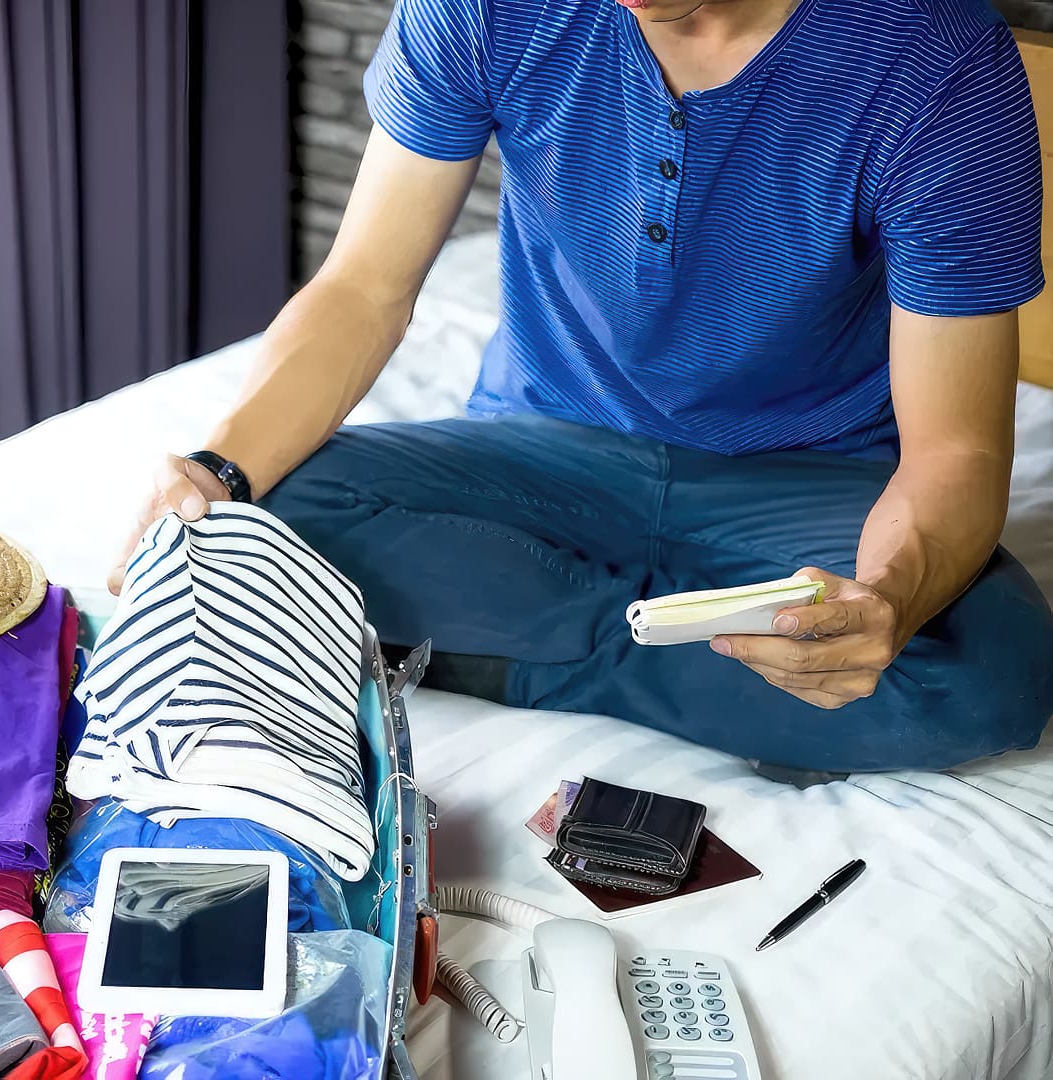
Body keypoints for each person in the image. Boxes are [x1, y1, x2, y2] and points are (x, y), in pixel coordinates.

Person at [110, 0, 1053, 774]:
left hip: (804, 479)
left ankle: (493, 633)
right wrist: (216, 472)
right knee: (261, 519)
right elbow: (363, 287)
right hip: (539, 448)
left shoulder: (938, 66)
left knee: (990, 671)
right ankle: (678, 645)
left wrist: (882, 598)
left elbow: (955, 449)